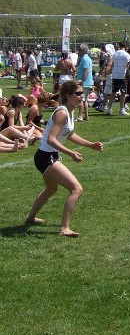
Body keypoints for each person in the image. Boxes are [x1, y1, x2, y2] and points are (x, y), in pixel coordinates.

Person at [25, 80, 104, 237]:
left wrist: (90, 145)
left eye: (82, 93)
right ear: (68, 95)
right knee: (77, 189)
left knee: (51, 189)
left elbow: (70, 134)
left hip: (50, 156)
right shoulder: (61, 112)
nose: (82, 96)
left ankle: (30, 218)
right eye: (78, 94)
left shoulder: (70, 110)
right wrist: (71, 153)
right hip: (46, 157)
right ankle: (64, 228)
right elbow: (51, 139)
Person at [105, 41, 130, 116]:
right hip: (122, 75)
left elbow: (112, 64)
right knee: (123, 92)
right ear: (125, 47)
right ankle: (121, 109)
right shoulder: (126, 54)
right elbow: (129, 64)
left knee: (113, 92)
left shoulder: (115, 54)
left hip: (115, 75)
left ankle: (109, 109)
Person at [75, 43, 93, 121]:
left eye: (79, 49)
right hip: (87, 82)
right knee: (85, 99)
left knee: (81, 99)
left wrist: (82, 81)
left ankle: (80, 116)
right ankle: (86, 115)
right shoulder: (86, 58)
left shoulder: (85, 59)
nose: (78, 51)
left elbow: (86, 70)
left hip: (84, 82)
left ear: (82, 50)